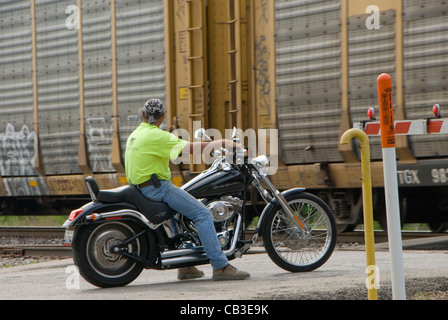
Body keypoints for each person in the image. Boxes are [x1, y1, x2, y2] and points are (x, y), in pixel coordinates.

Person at [125, 98, 250, 281]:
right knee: (203, 214)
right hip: (157, 189)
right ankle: (221, 266)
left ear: (143, 114)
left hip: (142, 189)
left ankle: (186, 267)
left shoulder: (136, 134)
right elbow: (190, 149)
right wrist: (223, 142)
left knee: (178, 216)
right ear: (163, 116)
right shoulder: (157, 136)